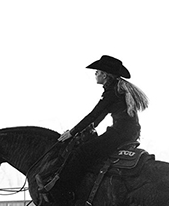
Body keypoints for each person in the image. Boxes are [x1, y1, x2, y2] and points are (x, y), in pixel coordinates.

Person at [39, 55, 149, 195]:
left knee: (81, 153)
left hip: (119, 134)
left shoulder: (112, 93)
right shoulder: (117, 90)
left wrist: (72, 132)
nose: (95, 74)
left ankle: (64, 192)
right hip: (127, 133)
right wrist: (84, 130)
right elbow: (97, 118)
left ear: (105, 75)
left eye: (97, 72)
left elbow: (94, 115)